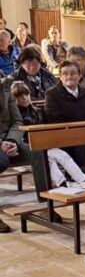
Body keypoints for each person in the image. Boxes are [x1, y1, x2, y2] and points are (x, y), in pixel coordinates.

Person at [11, 82, 85, 188]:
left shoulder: (38, 111)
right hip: (28, 147)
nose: (24, 98)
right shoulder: (15, 115)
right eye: (20, 96)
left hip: (44, 144)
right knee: (47, 157)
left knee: (62, 155)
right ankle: (62, 183)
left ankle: (83, 180)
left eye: (26, 94)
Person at [45, 59, 85, 170]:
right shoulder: (52, 94)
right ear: (60, 76)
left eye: (73, 73)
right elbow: (54, 118)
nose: (69, 77)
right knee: (83, 147)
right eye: (65, 74)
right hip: (64, 137)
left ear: (79, 75)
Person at [0, 83, 36, 232]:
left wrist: (12, 141)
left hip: (10, 139)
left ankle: (46, 203)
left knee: (39, 152)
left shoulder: (4, 89)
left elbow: (17, 121)